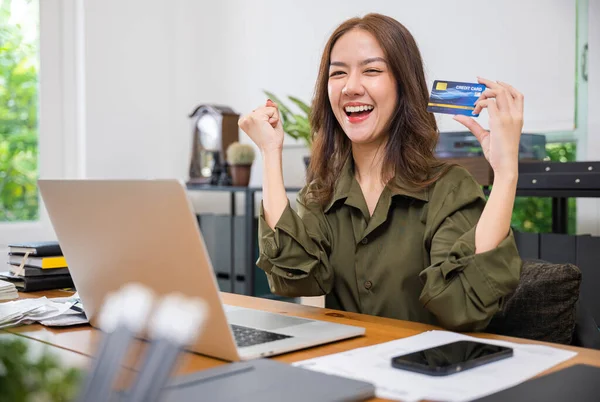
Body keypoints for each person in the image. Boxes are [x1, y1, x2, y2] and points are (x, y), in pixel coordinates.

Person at [238, 13, 522, 331]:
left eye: (372, 70)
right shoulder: (322, 192)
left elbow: (462, 304)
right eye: (338, 73)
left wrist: (506, 171)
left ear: (404, 85)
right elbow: (295, 277)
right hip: (347, 371)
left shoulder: (449, 187)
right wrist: (270, 152)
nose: (350, 87)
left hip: (428, 372)